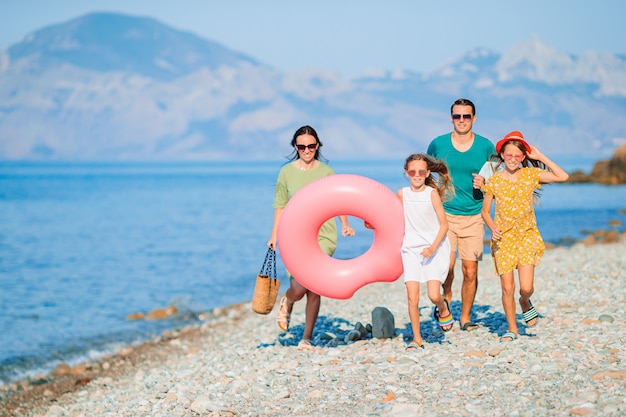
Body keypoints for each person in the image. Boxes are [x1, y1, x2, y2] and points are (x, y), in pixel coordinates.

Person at [267, 125, 355, 349]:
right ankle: (289, 299)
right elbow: (280, 205)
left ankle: (306, 337)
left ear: (318, 146)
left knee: (315, 286)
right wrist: (274, 235)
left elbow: (338, 201)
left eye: (311, 145)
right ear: (295, 147)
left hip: (323, 235)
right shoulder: (286, 172)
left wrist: (345, 224)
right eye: (302, 146)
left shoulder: (326, 172)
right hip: (293, 235)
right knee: (298, 287)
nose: (307, 150)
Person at [481, 131, 569, 342]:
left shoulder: (530, 176)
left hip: (527, 236)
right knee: (507, 287)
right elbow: (485, 211)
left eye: (517, 156)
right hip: (503, 239)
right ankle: (512, 329)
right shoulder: (493, 182)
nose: (512, 159)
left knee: (526, 287)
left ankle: (525, 301)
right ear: (502, 155)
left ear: (523, 157)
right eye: (508, 155)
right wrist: (492, 228)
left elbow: (563, 176)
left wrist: (540, 157)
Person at [427, 98, 495, 331]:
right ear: (451, 118)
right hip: (445, 216)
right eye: (457, 116)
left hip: (475, 216)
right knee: (447, 267)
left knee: (471, 269)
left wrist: (486, 183)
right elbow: (426, 174)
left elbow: (499, 177)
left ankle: (465, 317)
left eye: (466, 116)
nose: (462, 120)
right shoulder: (438, 144)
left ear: (474, 118)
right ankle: (445, 303)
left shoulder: (486, 146)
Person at [398, 154, 455, 350]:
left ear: (427, 173)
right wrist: (372, 224)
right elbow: (393, 219)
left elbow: (444, 225)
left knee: (433, 295)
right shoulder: (402, 194)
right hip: (410, 249)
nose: (417, 175)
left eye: (421, 171)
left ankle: (443, 307)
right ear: (407, 173)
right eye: (412, 171)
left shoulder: (431, 194)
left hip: (434, 247)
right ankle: (416, 338)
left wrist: (432, 248)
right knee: (412, 297)